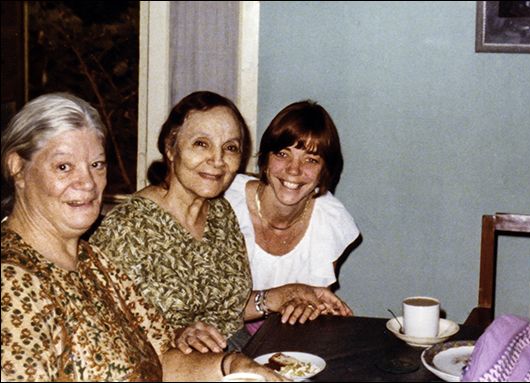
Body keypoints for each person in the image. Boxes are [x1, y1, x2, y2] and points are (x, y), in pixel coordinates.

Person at [0, 93, 283, 381]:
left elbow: (162, 355)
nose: (87, 183)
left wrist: (232, 366)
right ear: (17, 168)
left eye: (97, 165)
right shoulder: (13, 284)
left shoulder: (92, 261)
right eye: (64, 166)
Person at [90, 91, 352, 355]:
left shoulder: (220, 213)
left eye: (230, 148)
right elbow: (102, 330)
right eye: (201, 144)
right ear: (171, 148)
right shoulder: (127, 228)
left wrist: (288, 293)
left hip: (235, 355)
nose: (217, 161)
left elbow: (226, 310)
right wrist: (172, 335)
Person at [224, 100, 360, 334]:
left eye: (311, 160)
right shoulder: (226, 201)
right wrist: (280, 296)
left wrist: (314, 308)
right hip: (221, 335)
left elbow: (306, 308)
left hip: (282, 337)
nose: (294, 170)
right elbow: (206, 305)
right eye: (282, 154)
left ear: (324, 172)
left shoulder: (329, 221)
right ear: (265, 160)